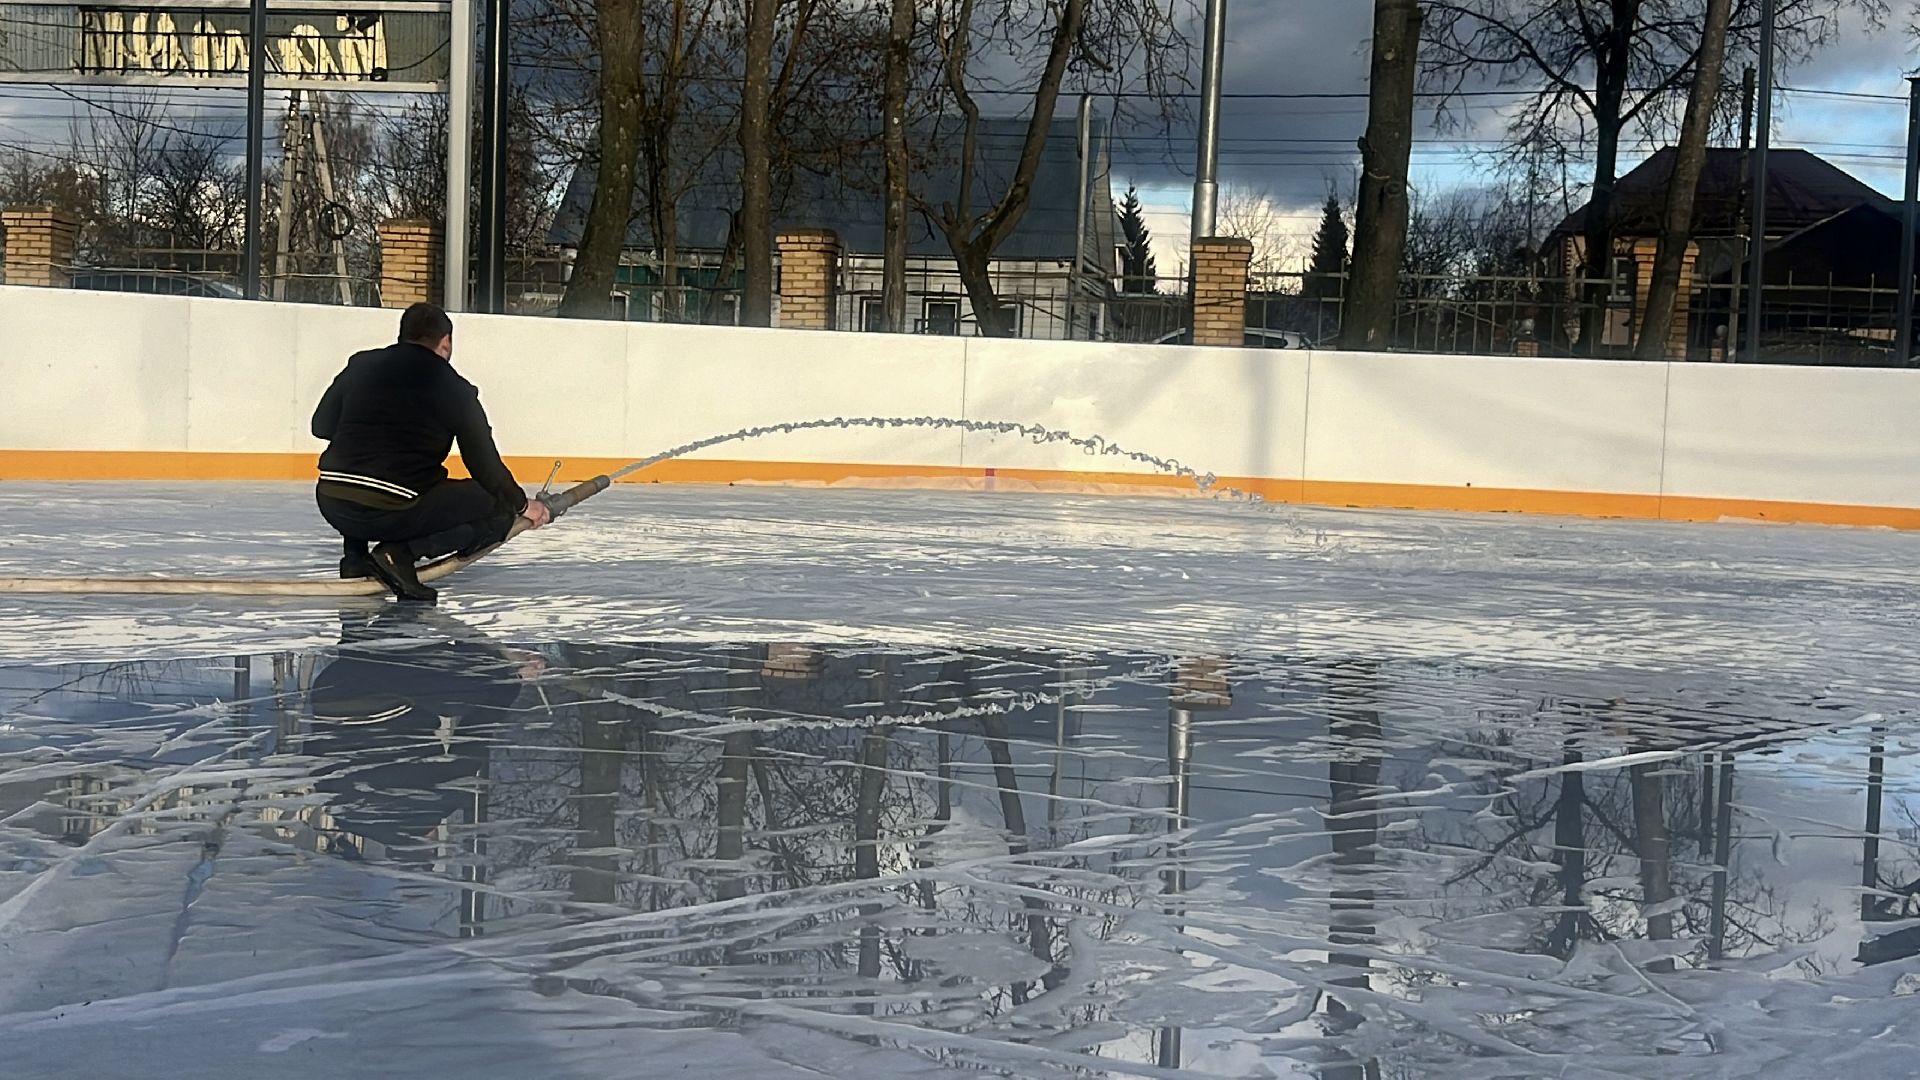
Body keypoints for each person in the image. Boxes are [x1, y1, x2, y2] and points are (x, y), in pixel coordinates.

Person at [312, 302, 551, 602]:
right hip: (390, 511)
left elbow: (321, 425)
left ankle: (355, 558)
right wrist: (520, 505)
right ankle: (399, 554)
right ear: (445, 341)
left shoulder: (361, 364)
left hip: (333, 502)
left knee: (362, 470)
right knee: (495, 504)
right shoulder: (455, 388)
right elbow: (484, 466)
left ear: (402, 335)